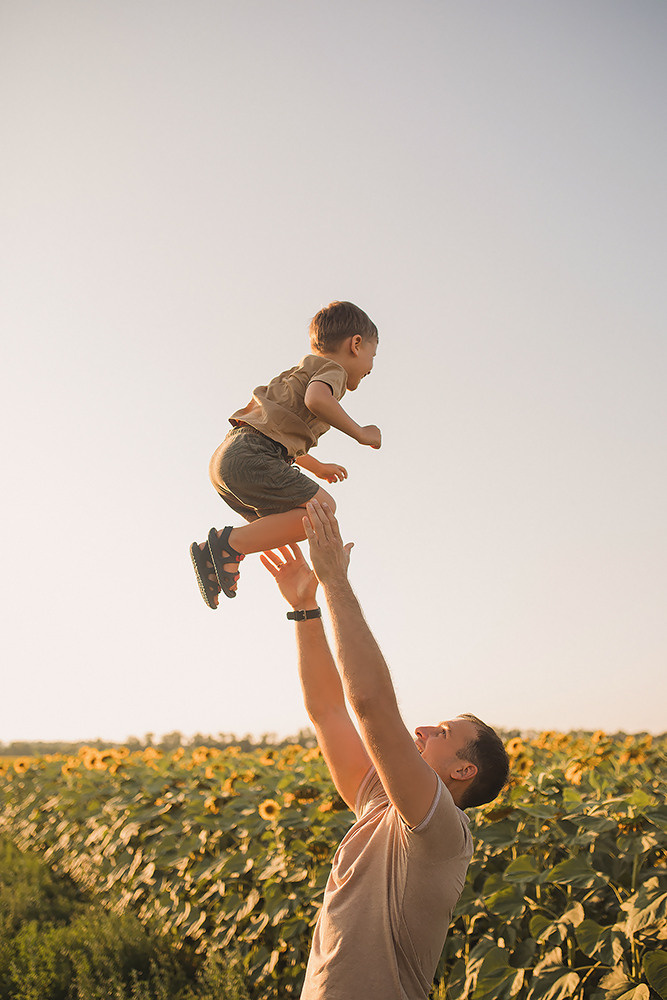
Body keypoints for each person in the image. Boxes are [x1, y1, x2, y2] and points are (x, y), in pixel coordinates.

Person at [261, 499, 510, 1000]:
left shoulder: (441, 828)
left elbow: (371, 706)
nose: (423, 730)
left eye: (442, 732)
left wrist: (335, 581)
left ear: (463, 769)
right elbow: (329, 714)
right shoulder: (381, 799)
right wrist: (304, 607)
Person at [190, 301, 381, 609]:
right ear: (356, 345)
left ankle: (212, 557)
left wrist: (316, 466)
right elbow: (317, 399)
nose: (372, 364)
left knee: (299, 522)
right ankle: (228, 544)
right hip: (253, 454)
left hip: (229, 456)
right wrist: (361, 433)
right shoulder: (333, 371)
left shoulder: (301, 370)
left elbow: (276, 431)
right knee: (323, 510)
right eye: (373, 354)